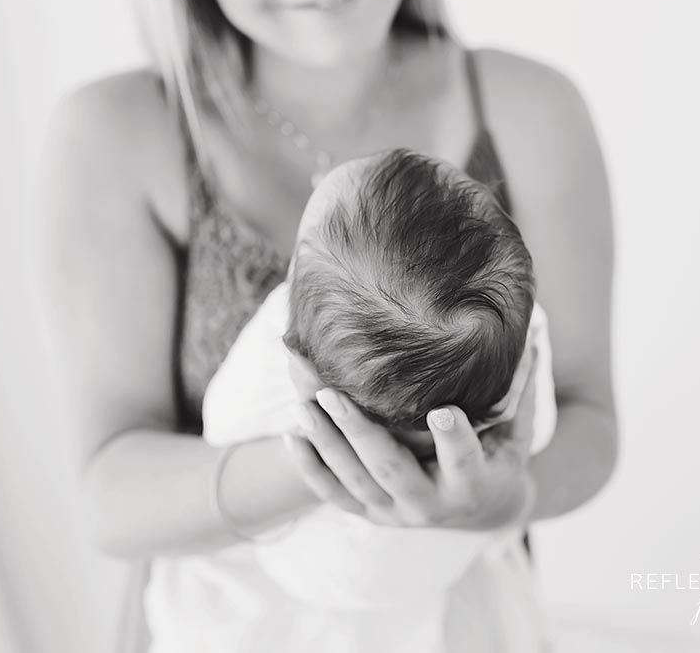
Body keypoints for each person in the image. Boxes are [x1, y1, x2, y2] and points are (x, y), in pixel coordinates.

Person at [35, 0, 617, 649]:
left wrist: (507, 499)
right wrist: (318, 468)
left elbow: (588, 418)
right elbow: (109, 497)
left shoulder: (528, 109)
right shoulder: (117, 132)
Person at [154, 149, 556, 650]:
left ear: (298, 362)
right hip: (434, 590)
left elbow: (222, 425)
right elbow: (538, 431)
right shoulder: (518, 346)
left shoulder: (270, 369)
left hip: (300, 588)